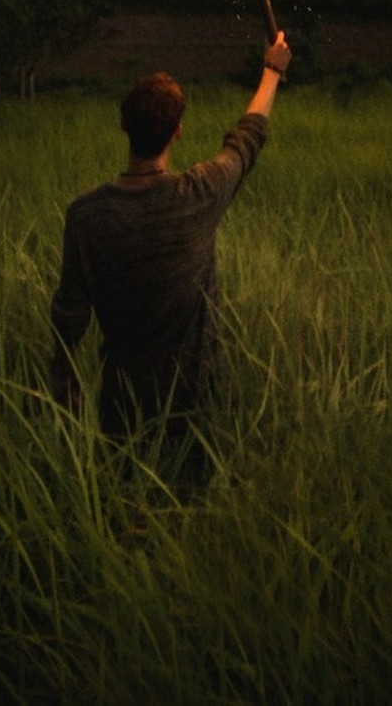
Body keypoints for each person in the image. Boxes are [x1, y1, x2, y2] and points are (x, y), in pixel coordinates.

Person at [49, 36, 292, 456]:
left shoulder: (86, 215)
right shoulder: (198, 194)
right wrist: (272, 71)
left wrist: (65, 382)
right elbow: (247, 137)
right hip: (198, 404)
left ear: (123, 125)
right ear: (177, 131)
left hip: (121, 408)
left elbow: (69, 316)